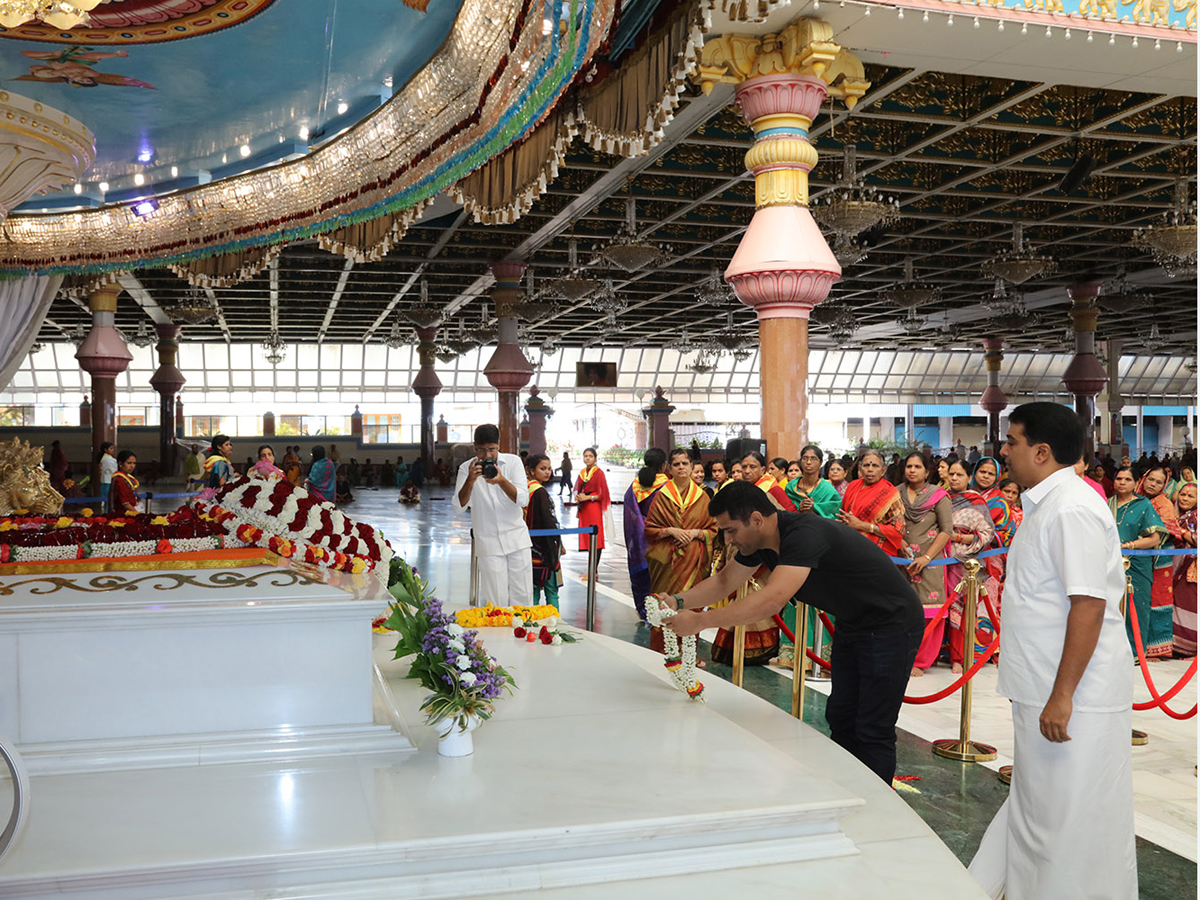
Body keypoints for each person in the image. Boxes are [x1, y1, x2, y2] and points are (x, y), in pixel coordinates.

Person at [970, 402, 1136, 900]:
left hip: (1075, 694)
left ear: (1041, 452)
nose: (1003, 451)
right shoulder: (1048, 503)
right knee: (1038, 808)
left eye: (1013, 442)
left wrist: (1063, 695)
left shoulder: (1072, 508)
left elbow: (1088, 604)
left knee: (1068, 820)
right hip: (1044, 684)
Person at [659, 481, 923, 784]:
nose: (727, 539)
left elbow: (772, 599)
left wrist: (699, 622)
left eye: (730, 530)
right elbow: (723, 582)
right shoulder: (760, 542)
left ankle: (878, 808)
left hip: (892, 624)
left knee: (872, 726)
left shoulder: (802, 535)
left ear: (757, 519)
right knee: (842, 717)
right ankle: (847, 791)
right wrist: (678, 601)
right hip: (854, 622)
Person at [645, 449, 717, 655]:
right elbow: (649, 529)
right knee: (664, 605)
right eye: (676, 464)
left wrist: (696, 533)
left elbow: (714, 529)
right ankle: (660, 652)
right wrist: (670, 531)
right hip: (667, 563)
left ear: (692, 467)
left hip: (694, 561)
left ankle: (688, 655)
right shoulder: (661, 497)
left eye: (685, 464)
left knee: (690, 605)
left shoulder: (702, 497)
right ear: (669, 468)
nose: (681, 468)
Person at [454, 424, 532, 607]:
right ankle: (502, 636)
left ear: (499, 445)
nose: (487, 455)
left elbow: (523, 500)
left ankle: (525, 633)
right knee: (496, 602)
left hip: (517, 541)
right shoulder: (466, 469)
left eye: (491, 449)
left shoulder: (513, 463)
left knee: (523, 599)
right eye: (481, 450)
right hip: (488, 544)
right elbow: (459, 506)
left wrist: (502, 481)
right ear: (474, 447)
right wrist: (470, 480)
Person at [939, 459, 997, 675]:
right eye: (951, 474)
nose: (954, 478)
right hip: (938, 561)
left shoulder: (976, 501)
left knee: (960, 610)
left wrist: (959, 538)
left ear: (968, 478)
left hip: (963, 565)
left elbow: (987, 533)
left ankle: (959, 657)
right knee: (936, 608)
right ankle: (935, 654)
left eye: (959, 475)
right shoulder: (940, 498)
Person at [900, 453, 954, 676]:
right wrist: (899, 541)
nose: (912, 470)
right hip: (901, 558)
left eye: (917, 467)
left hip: (931, 560)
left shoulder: (938, 496)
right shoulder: (896, 493)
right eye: (909, 466)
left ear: (927, 471)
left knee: (929, 611)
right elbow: (890, 523)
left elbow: (946, 531)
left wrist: (927, 557)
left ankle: (921, 661)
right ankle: (902, 655)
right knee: (903, 608)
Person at [623, 449, 669, 621]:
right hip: (660, 539)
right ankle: (660, 614)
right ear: (664, 466)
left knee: (642, 580)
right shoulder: (667, 487)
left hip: (638, 541)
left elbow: (630, 516)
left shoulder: (634, 487)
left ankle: (645, 612)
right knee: (660, 579)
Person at [837, 450, 906, 558]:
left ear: (883, 470)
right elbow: (844, 515)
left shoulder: (890, 493)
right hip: (850, 547)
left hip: (877, 553)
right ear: (860, 469)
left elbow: (897, 531)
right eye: (866, 465)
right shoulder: (852, 486)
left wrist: (862, 525)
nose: (870, 469)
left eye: (875, 466)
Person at [525, 454, 563, 608]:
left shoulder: (525, 488)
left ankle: (529, 625)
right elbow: (547, 521)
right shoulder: (540, 492)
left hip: (528, 545)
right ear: (532, 471)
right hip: (544, 547)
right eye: (542, 468)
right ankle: (556, 625)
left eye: (549, 468)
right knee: (551, 590)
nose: (547, 472)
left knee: (531, 591)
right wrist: (556, 544)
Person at [574, 447, 611, 576]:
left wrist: (589, 497)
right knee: (588, 538)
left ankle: (594, 571)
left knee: (596, 537)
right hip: (584, 508)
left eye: (590, 456)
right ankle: (590, 570)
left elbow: (604, 494)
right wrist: (579, 497)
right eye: (585, 456)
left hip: (593, 507)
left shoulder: (599, 473)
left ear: (595, 458)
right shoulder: (582, 473)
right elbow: (577, 489)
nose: (588, 458)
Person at [1173, 482, 1197, 657]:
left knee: (1190, 606)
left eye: (1191, 496)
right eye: (1183, 494)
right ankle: (1176, 646)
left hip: (1191, 570)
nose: (1185, 498)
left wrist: (1179, 531)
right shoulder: (1173, 513)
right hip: (1174, 569)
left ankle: (1190, 647)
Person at [784, 444, 842, 518]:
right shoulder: (791, 487)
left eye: (813, 459)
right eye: (805, 458)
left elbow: (835, 516)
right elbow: (784, 510)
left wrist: (814, 509)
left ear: (820, 463)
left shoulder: (828, 490)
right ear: (801, 461)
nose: (808, 462)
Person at [109, 450, 140, 516]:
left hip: (131, 512)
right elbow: (125, 503)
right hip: (121, 515)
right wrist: (138, 514)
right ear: (120, 464)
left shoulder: (129, 478)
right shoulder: (119, 479)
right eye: (129, 463)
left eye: (134, 463)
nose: (132, 466)